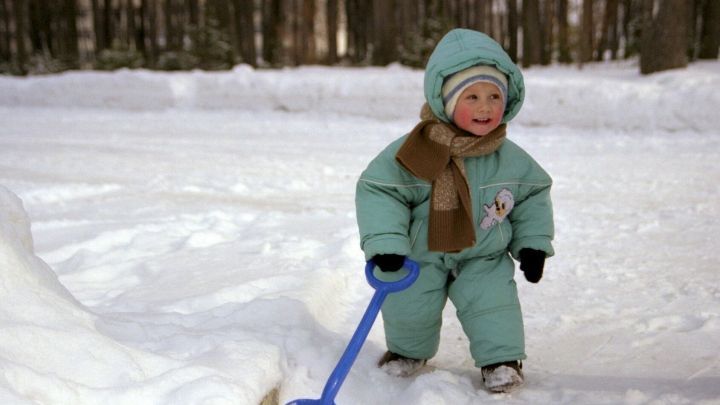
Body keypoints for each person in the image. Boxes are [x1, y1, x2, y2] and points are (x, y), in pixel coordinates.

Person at [354, 28, 554, 393]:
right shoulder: (413, 151)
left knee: (493, 305)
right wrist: (386, 243)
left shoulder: (509, 158)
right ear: (445, 100)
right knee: (408, 306)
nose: (485, 106)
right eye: (472, 96)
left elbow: (531, 196)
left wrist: (533, 244)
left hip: (484, 253)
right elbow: (380, 190)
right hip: (421, 254)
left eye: (495, 96)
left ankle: (502, 359)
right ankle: (407, 351)